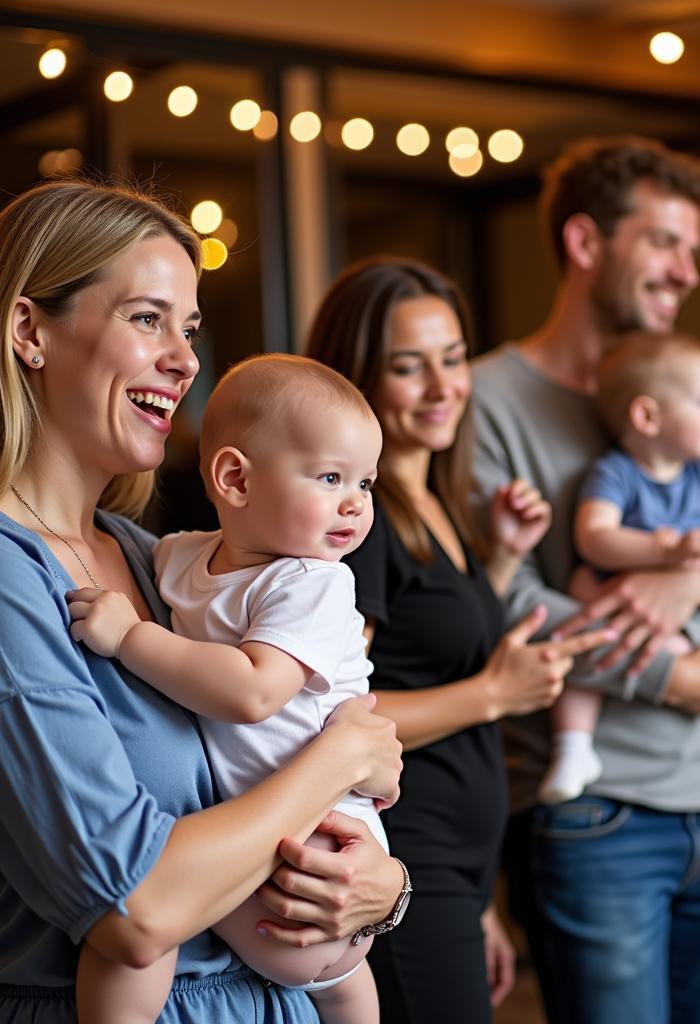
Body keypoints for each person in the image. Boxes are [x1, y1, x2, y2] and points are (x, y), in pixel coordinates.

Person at [0, 180, 404, 1024]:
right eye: (148, 318)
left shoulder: (158, 562)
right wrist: (339, 759)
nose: (185, 358)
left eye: (187, 328)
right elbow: (136, 908)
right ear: (30, 331)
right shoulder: (13, 575)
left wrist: (382, 888)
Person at [472, 135, 700, 1024]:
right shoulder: (489, 399)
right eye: (665, 242)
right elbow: (500, 601)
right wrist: (664, 671)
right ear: (587, 244)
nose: (688, 271)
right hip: (595, 817)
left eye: (693, 249)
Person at [305, 255, 614, 1024]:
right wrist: (494, 695)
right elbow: (333, 709)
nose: (445, 387)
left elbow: (427, 639)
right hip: (405, 852)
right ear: (357, 378)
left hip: (451, 870)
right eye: (411, 367)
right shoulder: (361, 522)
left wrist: (500, 559)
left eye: (452, 359)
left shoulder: (428, 501)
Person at [68, 354, 398, 1023]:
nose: (356, 503)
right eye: (331, 477)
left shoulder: (314, 582)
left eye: (365, 481)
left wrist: (129, 637)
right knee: (345, 986)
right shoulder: (179, 555)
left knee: (137, 934)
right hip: (295, 885)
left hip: (311, 860)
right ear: (234, 478)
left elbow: (252, 692)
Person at [539, 332, 700, 804]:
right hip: (617, 591)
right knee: (580, 614)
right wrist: (665, 550)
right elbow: (595, 537)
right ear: (647, 416)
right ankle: (574, 746)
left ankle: (683, 678)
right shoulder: (617, 473)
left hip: (685, 614)